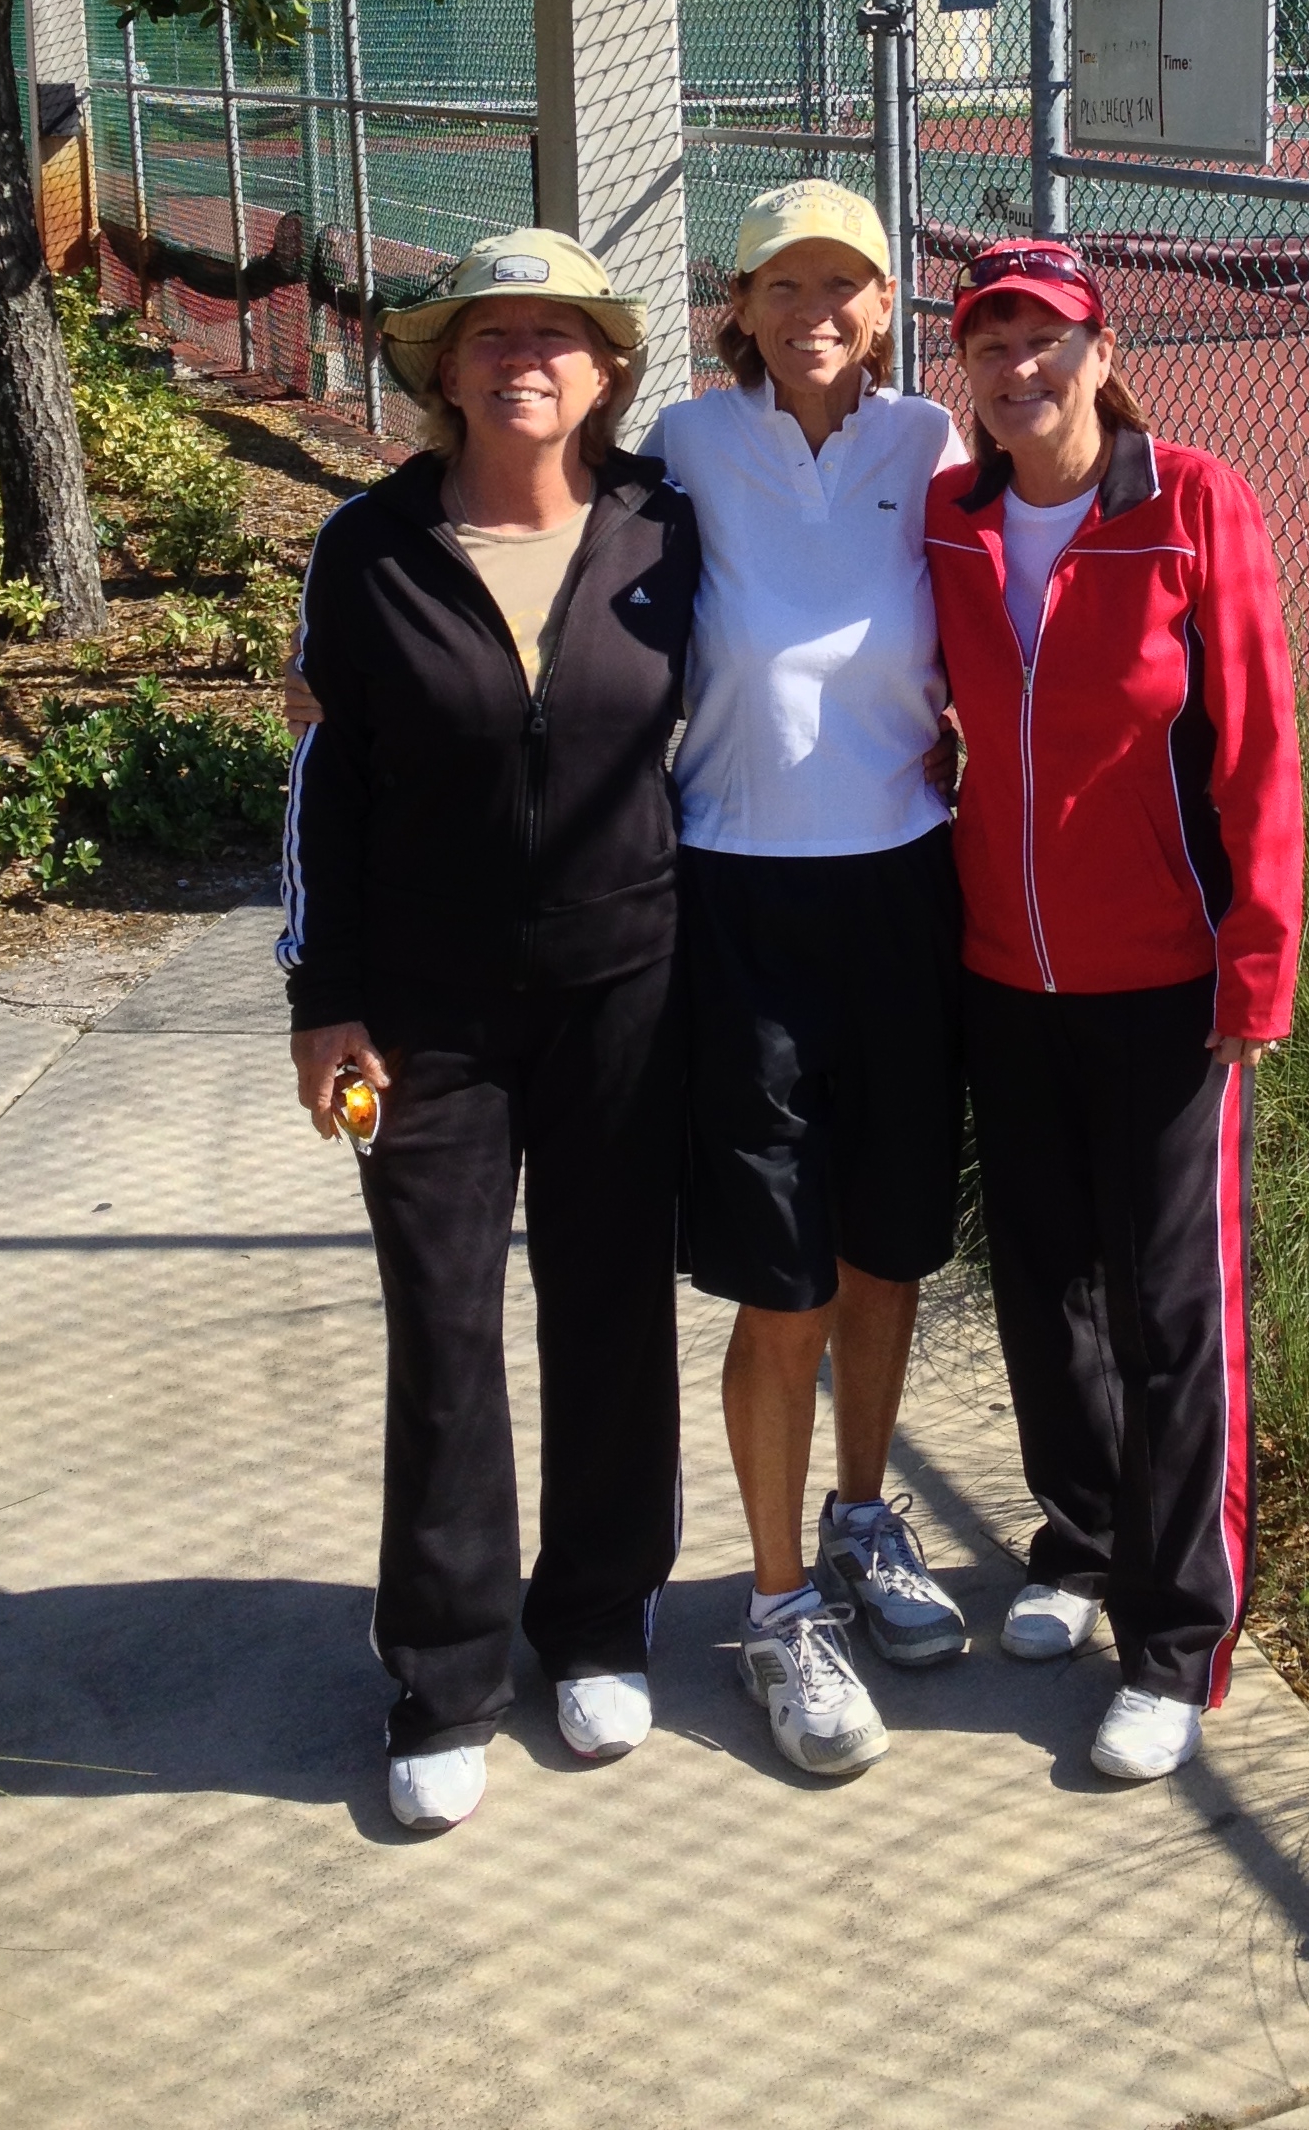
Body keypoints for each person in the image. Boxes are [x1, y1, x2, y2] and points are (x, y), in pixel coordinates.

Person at [278, 228, 697, 1833]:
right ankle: (444, 1672)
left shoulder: (669, 527)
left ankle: (595, 1620)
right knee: (442, 1329)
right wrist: (326, 1001)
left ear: (604, 371)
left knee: (610, 1312)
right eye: (488, 335)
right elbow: (327, 778)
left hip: (630, 992)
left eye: (559, 334)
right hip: (424, 1019)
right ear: (442, 369)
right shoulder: (367, 547)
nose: (523, 358)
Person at [924, 239, 1303, 1785]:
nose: (1021, 371)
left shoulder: (1193, 503)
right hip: (1002, 971)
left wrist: (1255, 962)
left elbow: (1261, 749)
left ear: (1102, 346)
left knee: (1170, 1316)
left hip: (1167, 985)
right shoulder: (949, 520)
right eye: (991, 345)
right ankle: (1076, 1548)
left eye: (1048, 341)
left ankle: (1174, 1635)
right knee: (1040, 1288)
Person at [658, 177, 970, 1782]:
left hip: (907, 893)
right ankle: (778, 1610)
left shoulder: (931, 442)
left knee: (885, 1254)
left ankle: (861, 1523)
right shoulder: (685, 443)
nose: (819, 312)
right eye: (789, 286)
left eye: (847, 282)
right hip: (737, 905)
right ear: (744, 307)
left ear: (887, 303)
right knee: (780, 1287)